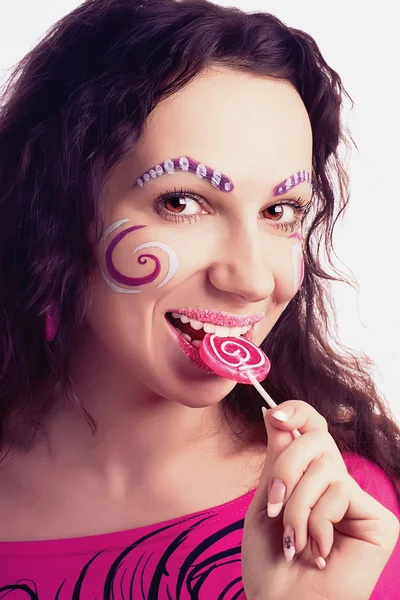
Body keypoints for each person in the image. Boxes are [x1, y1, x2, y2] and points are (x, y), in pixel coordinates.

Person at [0, 0, 398, 598]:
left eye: (280, 212)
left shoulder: (346, 524)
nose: (253, 280)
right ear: (57, 209)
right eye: (182, 202)